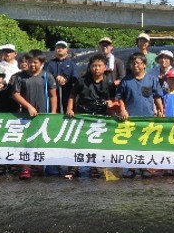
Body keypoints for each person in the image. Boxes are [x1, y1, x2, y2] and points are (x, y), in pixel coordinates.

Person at [12, 50, 58, 178]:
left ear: (42, 63)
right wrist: (28, 106)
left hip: (44, 113)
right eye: (30, 62)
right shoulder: (19, 76)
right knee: (26, 141)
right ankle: (25, 168)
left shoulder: (47, 76)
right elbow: (15, 94)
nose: (32, 65)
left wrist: (53, 112)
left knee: (42, 140)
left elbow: (53, 95)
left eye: (35, 63)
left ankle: (39, 165)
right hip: (25, 114)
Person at [66, 53, 117, 118]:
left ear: (105, 67)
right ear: (90, 67)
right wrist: (69, 109)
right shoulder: (82, 81)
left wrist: (111, 105)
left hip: (102, 115)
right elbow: (72, 95)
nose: (97, 68)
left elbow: (113, 98)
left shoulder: (109, 82)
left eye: (99, 65)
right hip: (82, 114)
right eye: (94, 66)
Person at [45, 40, 77, 113]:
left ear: (67, 50)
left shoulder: (72, 64)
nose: (60, 49)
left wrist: (65, 80)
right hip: (52, 92)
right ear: (55, 50)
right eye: (58, 47)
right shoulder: (49, 63)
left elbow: (75, 78)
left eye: (62, 47)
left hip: (67, 92)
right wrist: (56, 77)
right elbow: (45, 75)